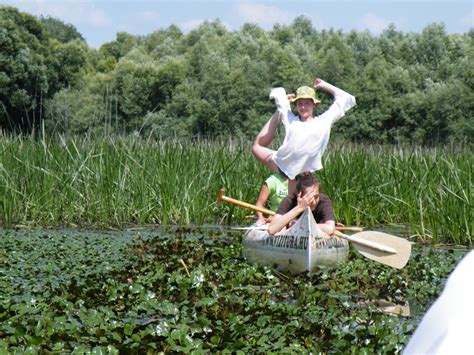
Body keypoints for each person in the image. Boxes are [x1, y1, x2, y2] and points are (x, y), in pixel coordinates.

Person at [252, 78, 356, 194]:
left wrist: (324, 85)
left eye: (307, 103)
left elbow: (347, 98)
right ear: (296, 105)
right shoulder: (291, 120)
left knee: (295, 203)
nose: (303, 107)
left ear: (314, 105)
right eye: (300, 104)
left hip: (303, 174)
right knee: (256, 147)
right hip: (283, 165)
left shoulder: (323, 121)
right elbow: (279, 96)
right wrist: (282, 98)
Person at [268, 174, 335, 236]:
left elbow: (330, 229)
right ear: (299, 194)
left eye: (316, 197)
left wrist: (298, 224)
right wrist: (300, 207)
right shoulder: (289, 200)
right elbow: (271, 229)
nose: (314, 202)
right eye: (309, 198)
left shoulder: (324, 201)